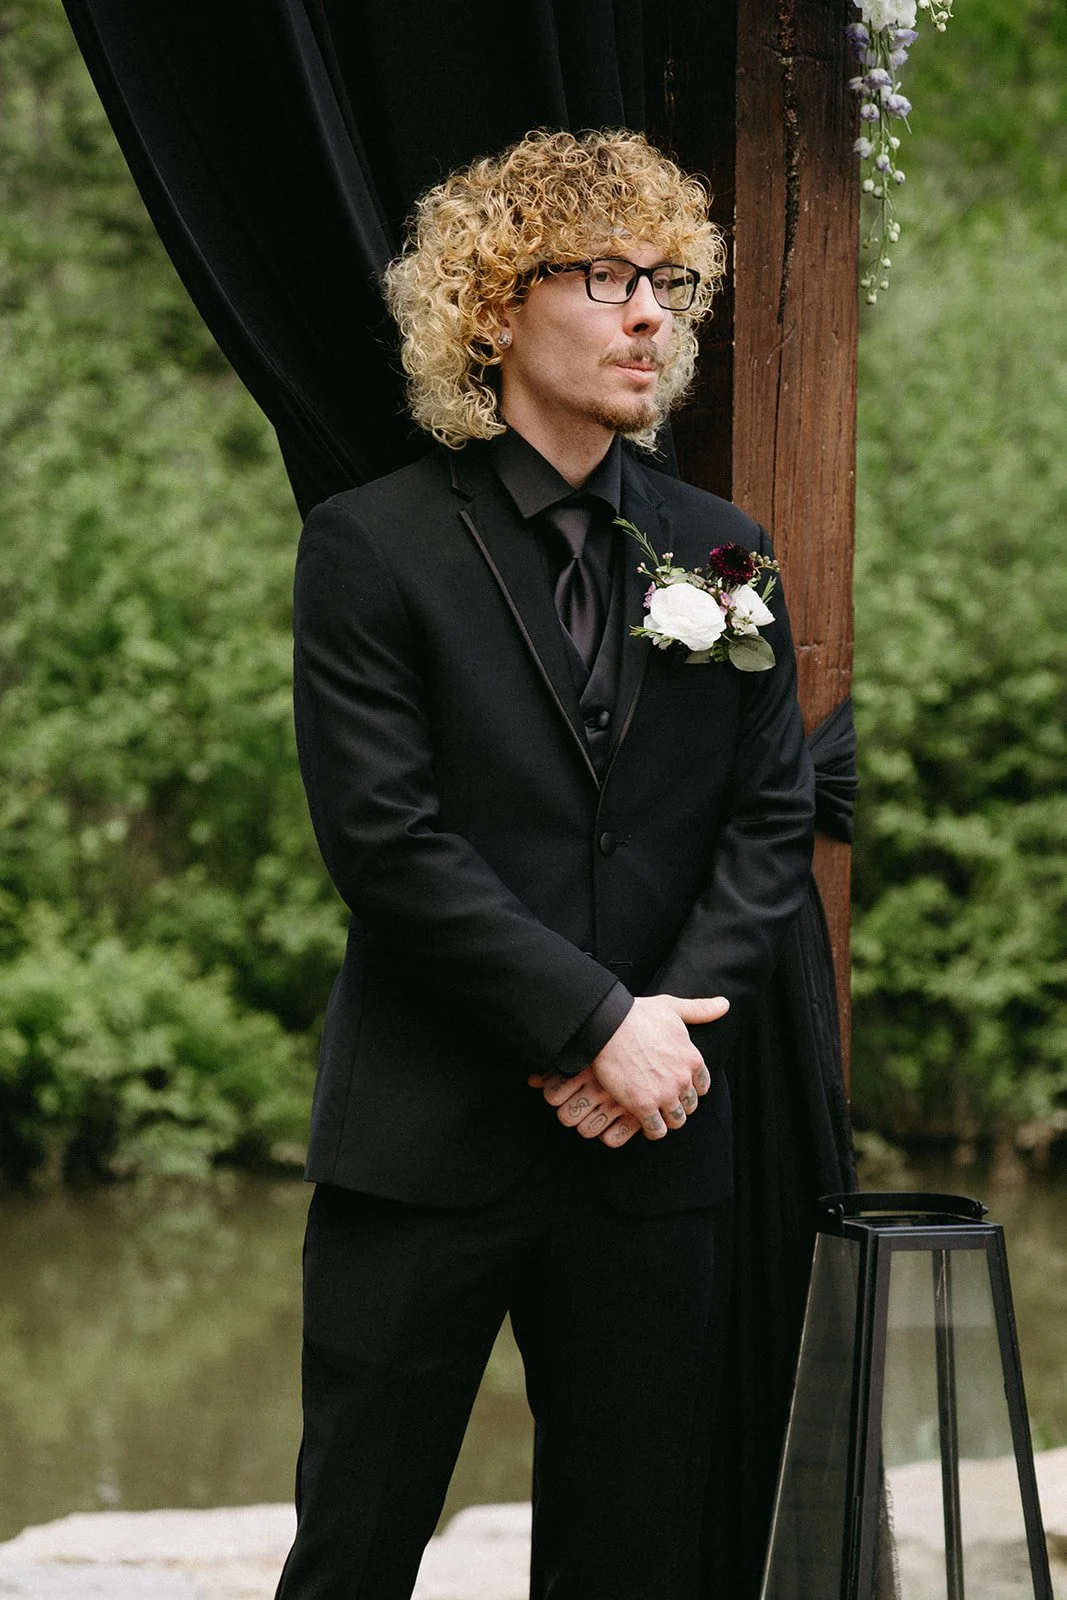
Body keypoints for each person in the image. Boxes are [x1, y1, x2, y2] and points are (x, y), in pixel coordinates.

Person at [275, 127, 815, 1600]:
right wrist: (592, 1024)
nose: (651, 316)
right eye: (603, 278)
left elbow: (767, 820)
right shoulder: (370, 548)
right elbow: (383, 841)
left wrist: (662, 1035)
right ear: (494, 310)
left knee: (634, 1562)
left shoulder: (722, 555)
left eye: (668, 284)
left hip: (652, 1152)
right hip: (424, 1140)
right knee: (353, 1555)